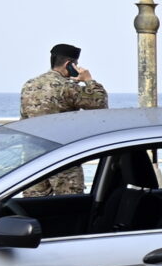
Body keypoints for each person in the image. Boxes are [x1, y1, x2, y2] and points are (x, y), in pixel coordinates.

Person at [18, 45, 109, 196]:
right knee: (69, 207)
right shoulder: (67, 87)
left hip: (33, 158)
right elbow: (100, 104)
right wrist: (88, 80)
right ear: (69, 64)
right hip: (61, 156)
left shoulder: (29, 85)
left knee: (34, 206)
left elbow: (24, 118)